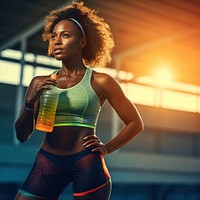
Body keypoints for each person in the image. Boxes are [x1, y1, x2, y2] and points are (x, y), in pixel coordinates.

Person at [14, 1, 144, 200]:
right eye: (54, 36)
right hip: (48, 162)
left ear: (83, 42)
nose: (57, 41)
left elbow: (136, 123)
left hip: (86, 163)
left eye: (65, 35)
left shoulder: (101, 81)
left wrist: (107, 147)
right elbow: (22, 136)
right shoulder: (40, 83)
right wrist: (30, 103)